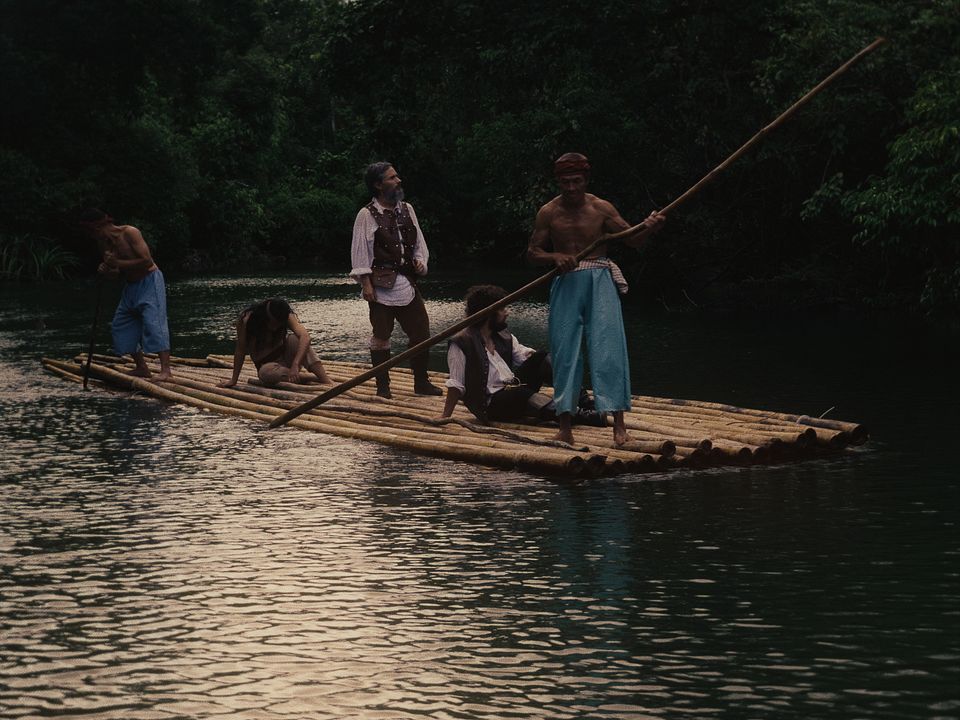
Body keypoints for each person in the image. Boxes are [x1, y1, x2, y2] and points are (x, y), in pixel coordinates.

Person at [527, 153, 666, 446]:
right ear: (558, 182)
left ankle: (618, 425)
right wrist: (555, 257)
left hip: (600, 280)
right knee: (564, 354)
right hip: (566, 283)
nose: (571, 188)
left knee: (608, 351)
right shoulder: (548, 212)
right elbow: (533, 253)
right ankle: (564, 425)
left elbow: (633, 239)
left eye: (576, 181)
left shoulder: (601, 208)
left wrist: (649, 227)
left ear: (586, 180)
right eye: (565, 182)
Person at [437, 284, 604, 428]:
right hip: (491, 405)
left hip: (512, 389)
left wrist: (536, 358)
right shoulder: (461, 343)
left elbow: (523, 354)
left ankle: (586, 403)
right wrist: (446, 416)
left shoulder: (502, 335)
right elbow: (456, 385)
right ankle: (583, 416)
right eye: (502, 309)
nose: (507, 313)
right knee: (521, 393)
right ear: (489, 313)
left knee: (541, 357)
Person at [350, 161, 442, 399]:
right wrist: (366, 284)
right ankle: (383, 387)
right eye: (392, 178)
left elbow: (419, 242)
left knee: (421, 333)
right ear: (378, 185)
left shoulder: (407, 209)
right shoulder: (366, 215)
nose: (398, 181)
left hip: (407, 283)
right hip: (380, 286)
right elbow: (361, 252)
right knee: (381, 335)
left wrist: (420, 262)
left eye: (397, 176)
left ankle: (421, 382)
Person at [80, 208, 172, 381]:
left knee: (154, 324)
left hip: (150, 281)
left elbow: (147, 261)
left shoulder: (130, 232)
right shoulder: (104, 244)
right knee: (121, 325)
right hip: (130, 286)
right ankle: (142, 367)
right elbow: (115, 274)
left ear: (98, 227)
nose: (91, 236)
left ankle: (166, 371)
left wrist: (117, 263)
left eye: (91, 232)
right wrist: (106, 270)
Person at [217, 298, 332, 388]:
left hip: (288, 361)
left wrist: (295, 364)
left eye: (279, 324)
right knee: (267, 372)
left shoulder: (287, 315)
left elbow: (305, 337)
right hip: (268, 368)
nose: (276, 327)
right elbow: (240, 350)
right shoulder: (246, 320)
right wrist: (234, 380)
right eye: (274, 323)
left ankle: (326, 380)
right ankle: (309, 378)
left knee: (296, 339)